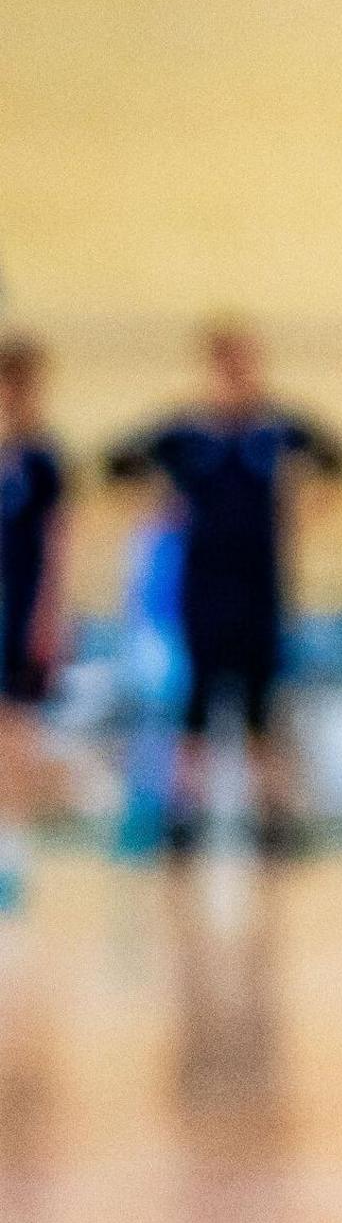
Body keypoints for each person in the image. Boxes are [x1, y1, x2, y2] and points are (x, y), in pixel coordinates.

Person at [103, 323, 342, 859]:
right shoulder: (187, 435)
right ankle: (181, 817)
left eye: (246, 364)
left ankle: (273, 819)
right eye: (229, 366)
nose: (239, 377)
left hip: (261, 591)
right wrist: (158, 508)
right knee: (195, 706)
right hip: (204, 594)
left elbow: (339, 461)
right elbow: (117, 465)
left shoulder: (277, 430)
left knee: (263, 707)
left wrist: (300, 514)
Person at [0, 338, 68, 910]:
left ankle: (11, 853)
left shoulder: (42, 461)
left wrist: (49, 616)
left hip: (17, 615)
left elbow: (55, 546)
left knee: (15, 732)